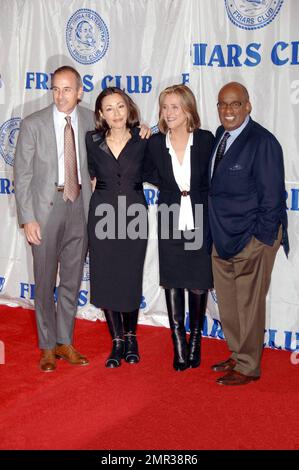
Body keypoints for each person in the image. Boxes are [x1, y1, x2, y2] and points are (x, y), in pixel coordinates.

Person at [14, 65, 95, 372]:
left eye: (67, 89)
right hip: (45, 211)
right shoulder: (33, 123)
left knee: (72, 280)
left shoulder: (90, 119)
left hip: (80, 207)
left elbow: (109, 146)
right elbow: (21, 174)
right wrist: (27, 218)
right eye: (56, 89)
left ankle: (65, 341)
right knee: (46, 280)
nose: (60, 96)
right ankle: (47, 346)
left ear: (79, 91)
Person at [209, 81, 289, 386]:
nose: (228, 111)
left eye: (235, 104)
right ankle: (237, 352)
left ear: (248, 106)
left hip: (253, 237)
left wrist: (260, 241)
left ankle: (248, 365)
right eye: (223, 105)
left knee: (249, 304)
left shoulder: (263, 142)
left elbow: (272, 198)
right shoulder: (221, 136)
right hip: (223, 234)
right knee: (228, 303)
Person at [144, 84, 214, 371]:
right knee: (173, 279)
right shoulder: (155, 143)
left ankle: (195, 338)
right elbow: (146, 170)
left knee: (198, 282)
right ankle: (178, 341)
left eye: (175, 107)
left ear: (188, 110)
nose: (169, 112)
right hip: (170, 213)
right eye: (164, 107)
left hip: (200, 215)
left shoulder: (207, 140)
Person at [86, 87, 148, 368]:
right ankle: (117, 341)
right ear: (101, 114)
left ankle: (132, 337)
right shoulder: (92, 140)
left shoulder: (144, 138)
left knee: (130, 276)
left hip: (135, 215)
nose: (115, 114)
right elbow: (87, 176)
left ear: (129, 108)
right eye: (109, 109)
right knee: (106, 276)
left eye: (120, 107)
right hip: (102, 216)